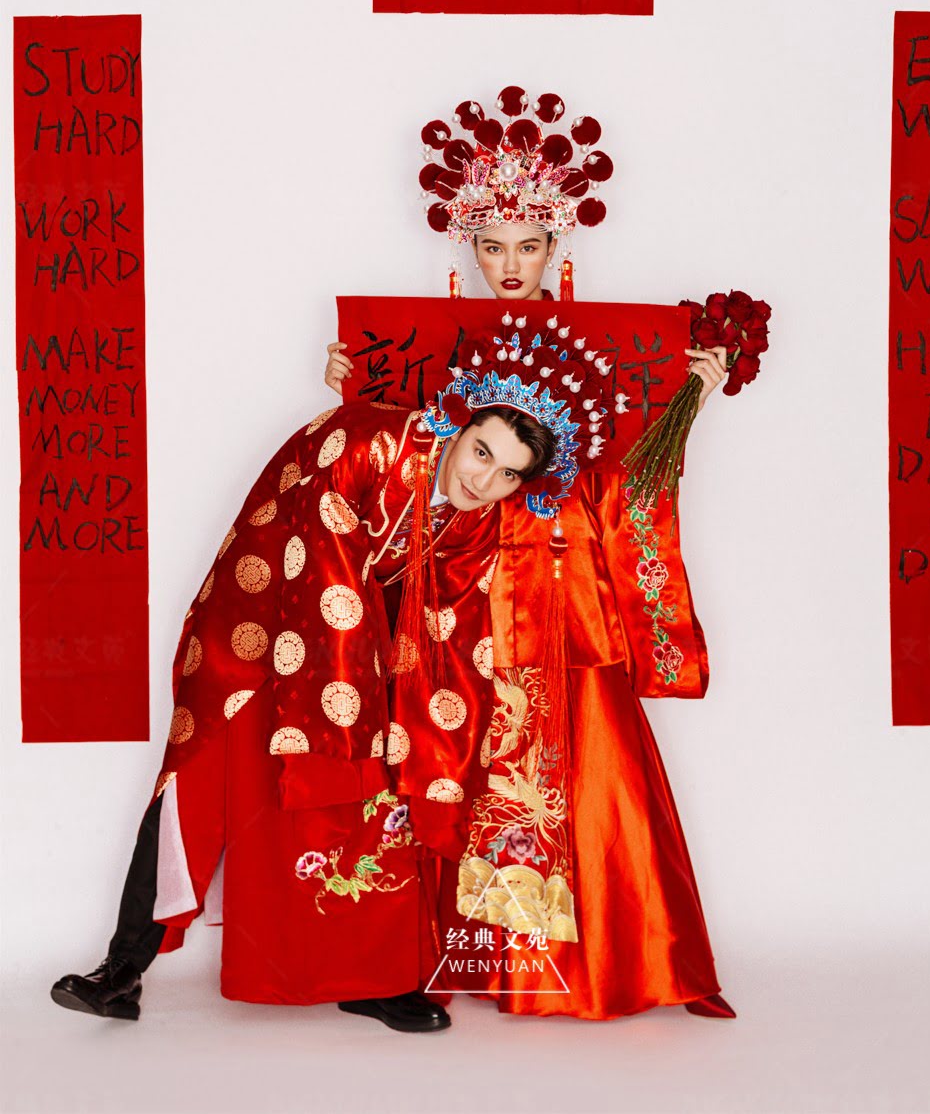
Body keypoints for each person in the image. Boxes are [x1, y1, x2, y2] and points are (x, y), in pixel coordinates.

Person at [322, 83, 738, 1020]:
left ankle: (613, 963)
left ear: (559, 248)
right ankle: (448, 958)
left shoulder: (615, 353)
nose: (510, 265)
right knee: (453, 753)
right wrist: (353, 394)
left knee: (587, 766)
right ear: (467, 251)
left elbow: (630, 478)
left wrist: (685, 401)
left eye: (529, 246)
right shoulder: (434, 350)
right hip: (461, 587)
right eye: (492, 247)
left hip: (564, 584)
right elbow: (405, 466)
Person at [50, 354, 578, 1032]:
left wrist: (427, 724)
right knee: (195, 788)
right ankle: (121, 969)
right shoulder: (366, 441)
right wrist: (365, 689)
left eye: (508, 474)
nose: (483, 480)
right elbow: (321, 564)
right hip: (256, 628)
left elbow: (453, 619)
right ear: (459, 422)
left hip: (360, 656)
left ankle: (375, 977)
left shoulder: (474, 520)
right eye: (481, 451)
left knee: (382, 796)